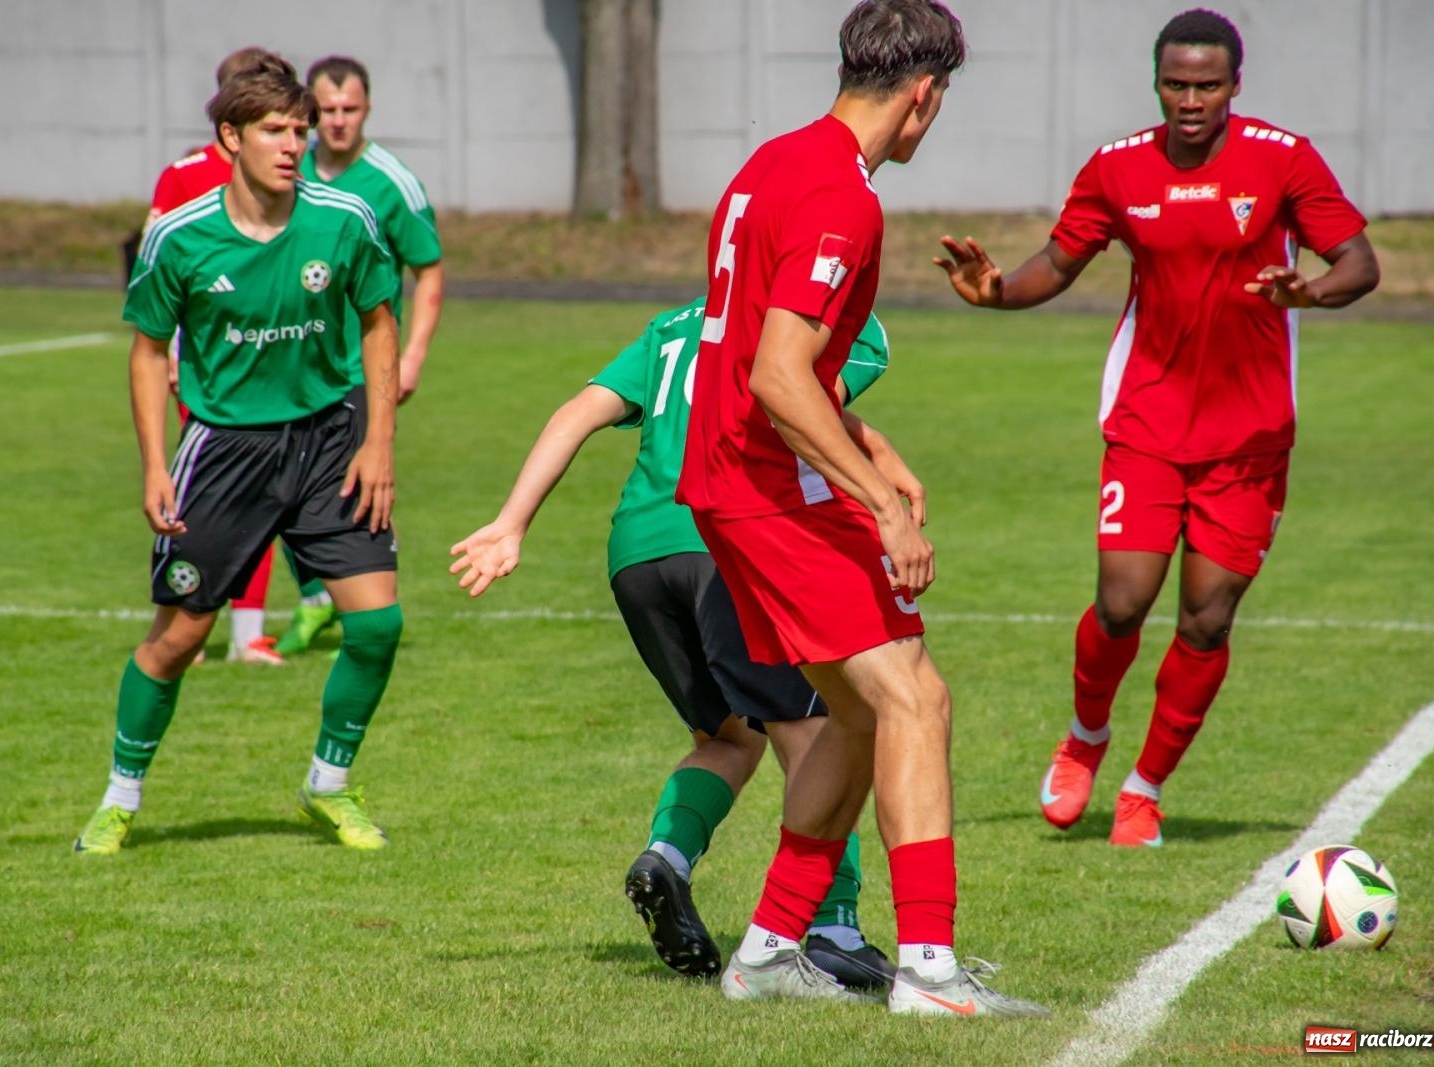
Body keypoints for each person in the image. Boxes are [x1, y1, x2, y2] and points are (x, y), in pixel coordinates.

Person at [675, 0, 1047, 1016]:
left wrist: (871, 446)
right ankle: (927, 968)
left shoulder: (770, 163)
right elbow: (777, 374)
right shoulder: (844, 198)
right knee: (913, 699)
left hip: (726, 479)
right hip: (765, 485)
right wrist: (879, 501)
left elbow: (767, 351)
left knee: (851, 711)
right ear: (922, 96)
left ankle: (763, 954)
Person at [934, 8, 1379, 848]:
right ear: (1156, 82)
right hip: (1146, 422)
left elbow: (1359, 261)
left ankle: (1144, 788)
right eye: (1176, 83)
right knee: (1121, 600)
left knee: (1207, 618)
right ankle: (1085, 738)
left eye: (1207, 85)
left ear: (1234, 86)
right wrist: (997, 290)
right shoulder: (1116, 168)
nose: (1190, 99)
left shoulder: (1283, 160)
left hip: (1249, 440)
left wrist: (1310, 291)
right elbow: (1059, 262)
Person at [450, 297, 905, 991]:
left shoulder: (673, 325)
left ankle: (668, 856)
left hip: (638, 553)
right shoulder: (840, 318)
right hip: (730, 536)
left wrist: (512, 522)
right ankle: (834, 927)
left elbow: (575, 411)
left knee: (727, 736)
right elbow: (803, 413)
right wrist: (882, 483)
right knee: (817, 732)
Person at [74, 54, 405, 856]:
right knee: (180, 639)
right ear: (230, 137)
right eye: (274, 131)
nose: (293, 144)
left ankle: (328, 785)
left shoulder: (343, 219)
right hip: (224, 452)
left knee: (377, 625)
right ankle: (120, 799)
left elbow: (377, 323)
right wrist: (156, 464)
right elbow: (149, 353)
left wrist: (378, 442)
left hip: (330, 442)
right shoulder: (180, 239)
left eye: (299, 130)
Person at [277, 54, 447, 658]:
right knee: (283, 484)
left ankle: (369, 614)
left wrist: (414, 355)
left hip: (357, 367)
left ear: (368, 109)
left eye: (351, 110)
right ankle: (320, 600)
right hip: (292, 363)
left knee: (359, 483)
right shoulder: (288, 173)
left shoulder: (390, 182)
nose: (339, 122)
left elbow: (428, 272)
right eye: (327, 111)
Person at [141, 44, 289, 666]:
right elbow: (155, 271)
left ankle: (243, 634)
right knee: (199, 499)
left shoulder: (293, 178)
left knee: (262, 497)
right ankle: (186, 620)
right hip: (205, 367)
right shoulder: (183, 177)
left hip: (279, 365)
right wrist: (173, 348)